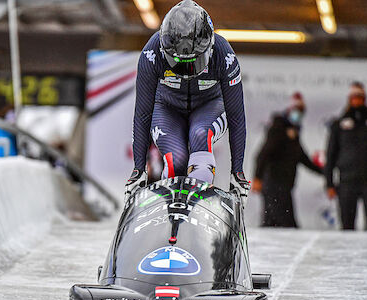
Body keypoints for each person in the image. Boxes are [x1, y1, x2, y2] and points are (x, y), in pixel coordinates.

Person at [125, 0, 249, 202]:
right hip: (167, 107)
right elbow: (143, 114)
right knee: (176, 161)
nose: (186, 73)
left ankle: (198, 205)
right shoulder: (151, 54)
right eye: (178, 63)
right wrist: (139, 169)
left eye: (194, 62)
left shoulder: (224, 55)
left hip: (209, 105)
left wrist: (237, 172)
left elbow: (236, 116)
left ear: (209, 49)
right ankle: (169, 211)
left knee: (201, 135)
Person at [252, 92, 322, 227]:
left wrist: (325, 172)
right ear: (290, 110)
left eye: (302, 111)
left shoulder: (294, 134)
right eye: (296, 110)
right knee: (285, 224)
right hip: (273, 184)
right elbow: (263, 154)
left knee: (273, 224)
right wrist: (257, 178)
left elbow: (303, 158)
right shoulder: (278, 128)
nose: (299, 114)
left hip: (284, 186)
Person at [324, 82, 367, 230]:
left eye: (360, 97)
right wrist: (329, 183)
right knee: (347, 225)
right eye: (354, 97)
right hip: (347, 181)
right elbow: (331, 154)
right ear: (349, 99)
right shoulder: (340, 122)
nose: (357, 100)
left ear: (365, 98)